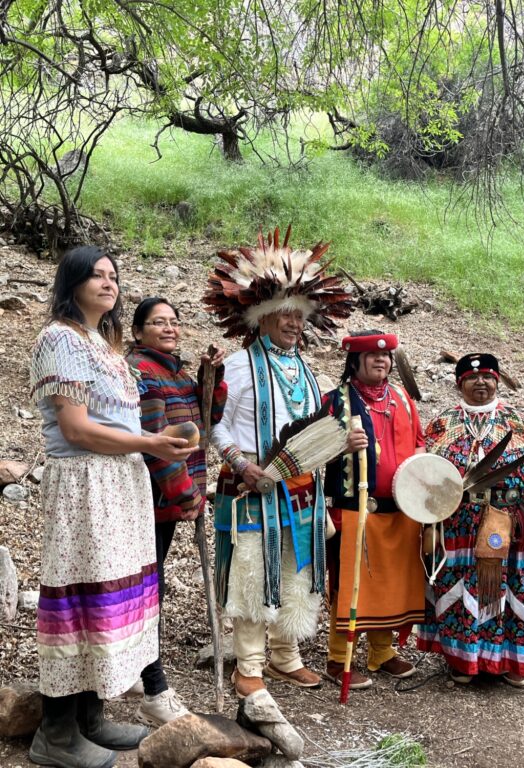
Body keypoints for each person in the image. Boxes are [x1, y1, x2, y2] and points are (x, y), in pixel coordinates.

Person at [28, 246, 192, 768]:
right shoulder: (59, 339)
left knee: (109, 595)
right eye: (95, 275)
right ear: (71, 283)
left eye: (113, 276)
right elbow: (76, 429)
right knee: (81, 595)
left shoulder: (101, 343)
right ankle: (54, 735)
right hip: (85, 486)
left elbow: (115, 425)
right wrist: (150, 442)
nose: (108, 282)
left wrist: (150, 442)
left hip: (117, 483)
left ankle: (89, 717)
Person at [205, 226, 353, 698]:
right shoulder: (238, 366)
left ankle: (286, 655)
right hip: (252, 481)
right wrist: (239, 463)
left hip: (301, 484)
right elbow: (214, 424)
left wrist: (338, 443)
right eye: (283, 314)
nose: (292, 322)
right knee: (252, 571)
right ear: (262, 317)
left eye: (298, 315)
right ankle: (248, 664)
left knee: (298, 567)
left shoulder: (309, 371)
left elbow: (312, 433)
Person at [416, 353, 524, 687]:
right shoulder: (442, 424)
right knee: (461, 586)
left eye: (487, 376)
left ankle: (514, 663)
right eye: (471, 377)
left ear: (497, 381)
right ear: (459, 384)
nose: (480, 382)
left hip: (514, 521)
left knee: (515, 588)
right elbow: (425, 472)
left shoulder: (519, 421)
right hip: (460, 520)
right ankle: (464, 660)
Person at [126, 297, 226, 725]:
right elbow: (156, 446)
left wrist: (212, 380)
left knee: (147, 583)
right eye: (157, 322)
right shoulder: (142, 373)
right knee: (148, 588)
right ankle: (153, 683)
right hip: (151, 497)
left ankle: (130, 664)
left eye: (174, 321)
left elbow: (207, 420)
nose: (169, 328)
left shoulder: (176, 370)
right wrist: (186, 493)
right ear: (138, 331)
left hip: (171, 500)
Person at [323, 331, 426, 689]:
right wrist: (340, 444)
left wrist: (419, 467)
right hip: (353, 508)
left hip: (400, 508)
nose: (381, 361)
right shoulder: (335, 401)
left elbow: (418, 442)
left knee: (389, 580)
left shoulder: (401, 398)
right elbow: (309, 451)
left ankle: (381, 653)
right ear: (355, 361)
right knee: (348, 583)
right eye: (372, 356)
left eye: (385, 357)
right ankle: (339, 658)